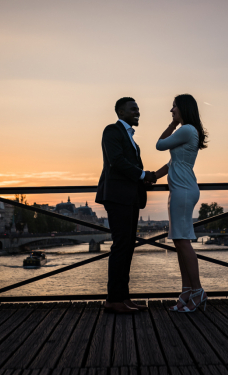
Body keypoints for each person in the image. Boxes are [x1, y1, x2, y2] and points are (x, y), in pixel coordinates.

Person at [95, 97, 157, 314]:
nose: (138, 112)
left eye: (138, 109)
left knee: (127, 247)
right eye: (133, 109)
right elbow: (117, 161)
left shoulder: (131, 138)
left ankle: (123, 297)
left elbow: (125, 163)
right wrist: (143, 174)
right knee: (121, 247)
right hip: (118, 197)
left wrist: (143, 177)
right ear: (121, 112)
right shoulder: (111, 131)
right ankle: (113, 299)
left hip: (129, 197)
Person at [154, 94, 208, 312]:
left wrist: (173, 124)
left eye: (174, 107)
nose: (171, 110)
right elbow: (172, 161)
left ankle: (197, 291)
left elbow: (159, 144)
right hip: (180, 189)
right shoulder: (188, 132)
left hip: (183, 190)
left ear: (183, 108)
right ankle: (187, 290)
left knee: (183, 242)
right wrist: (153, 176)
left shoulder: (186, 129)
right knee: (179, 241)